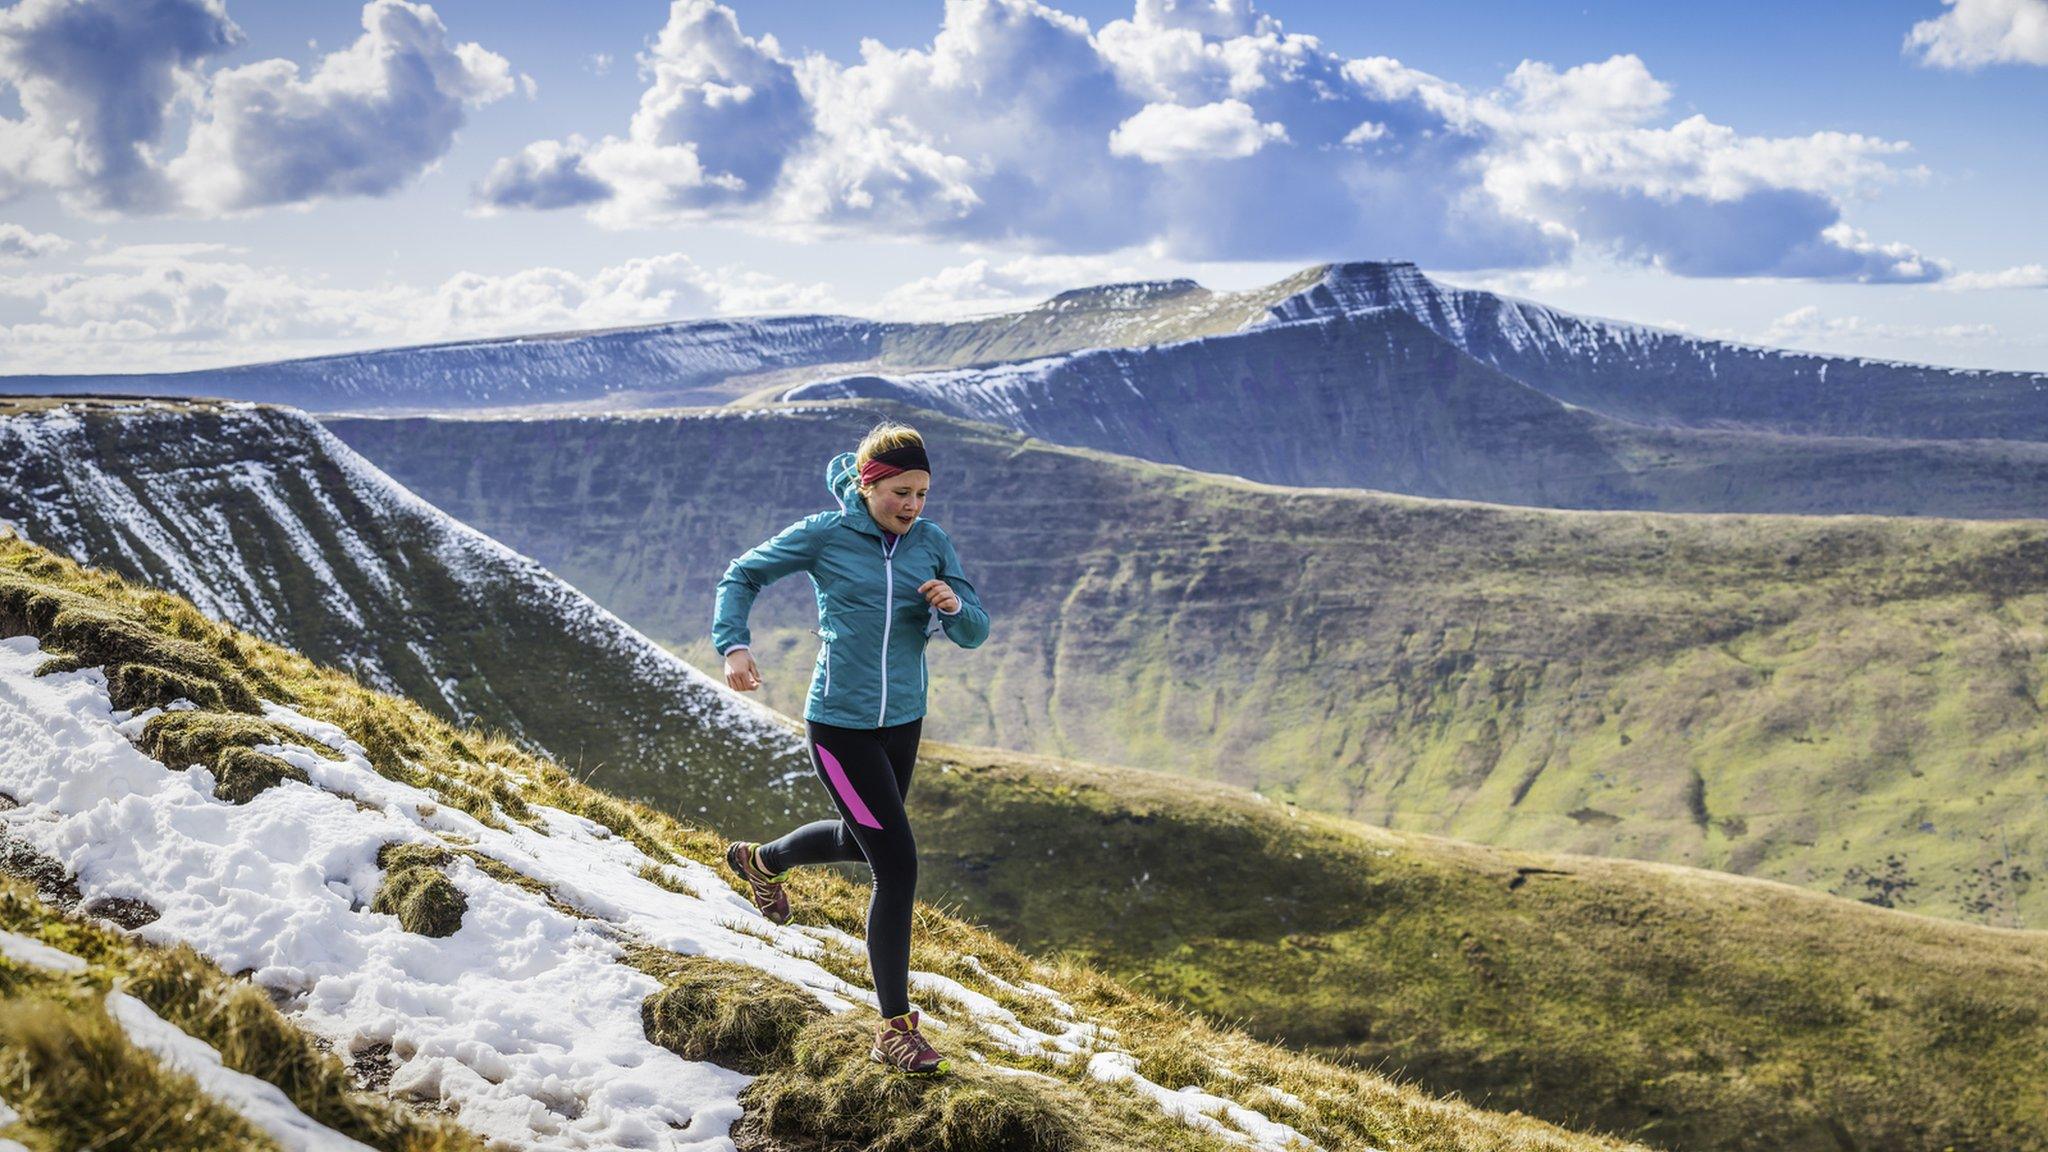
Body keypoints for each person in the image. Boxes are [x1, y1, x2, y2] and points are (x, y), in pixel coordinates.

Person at [709, 419, 989, 1076]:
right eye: (900, 492)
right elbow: (741, 575)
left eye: (922, 493)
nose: (912, 506)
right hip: (840, 725)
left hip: (904, 723)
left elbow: (975, 630)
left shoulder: (932, 543)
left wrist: (953, 606)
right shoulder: (826, 535)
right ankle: (894, 1028)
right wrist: (735, 645)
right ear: (869, 486)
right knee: (896, 867)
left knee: (856, 838)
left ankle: (761, 860)